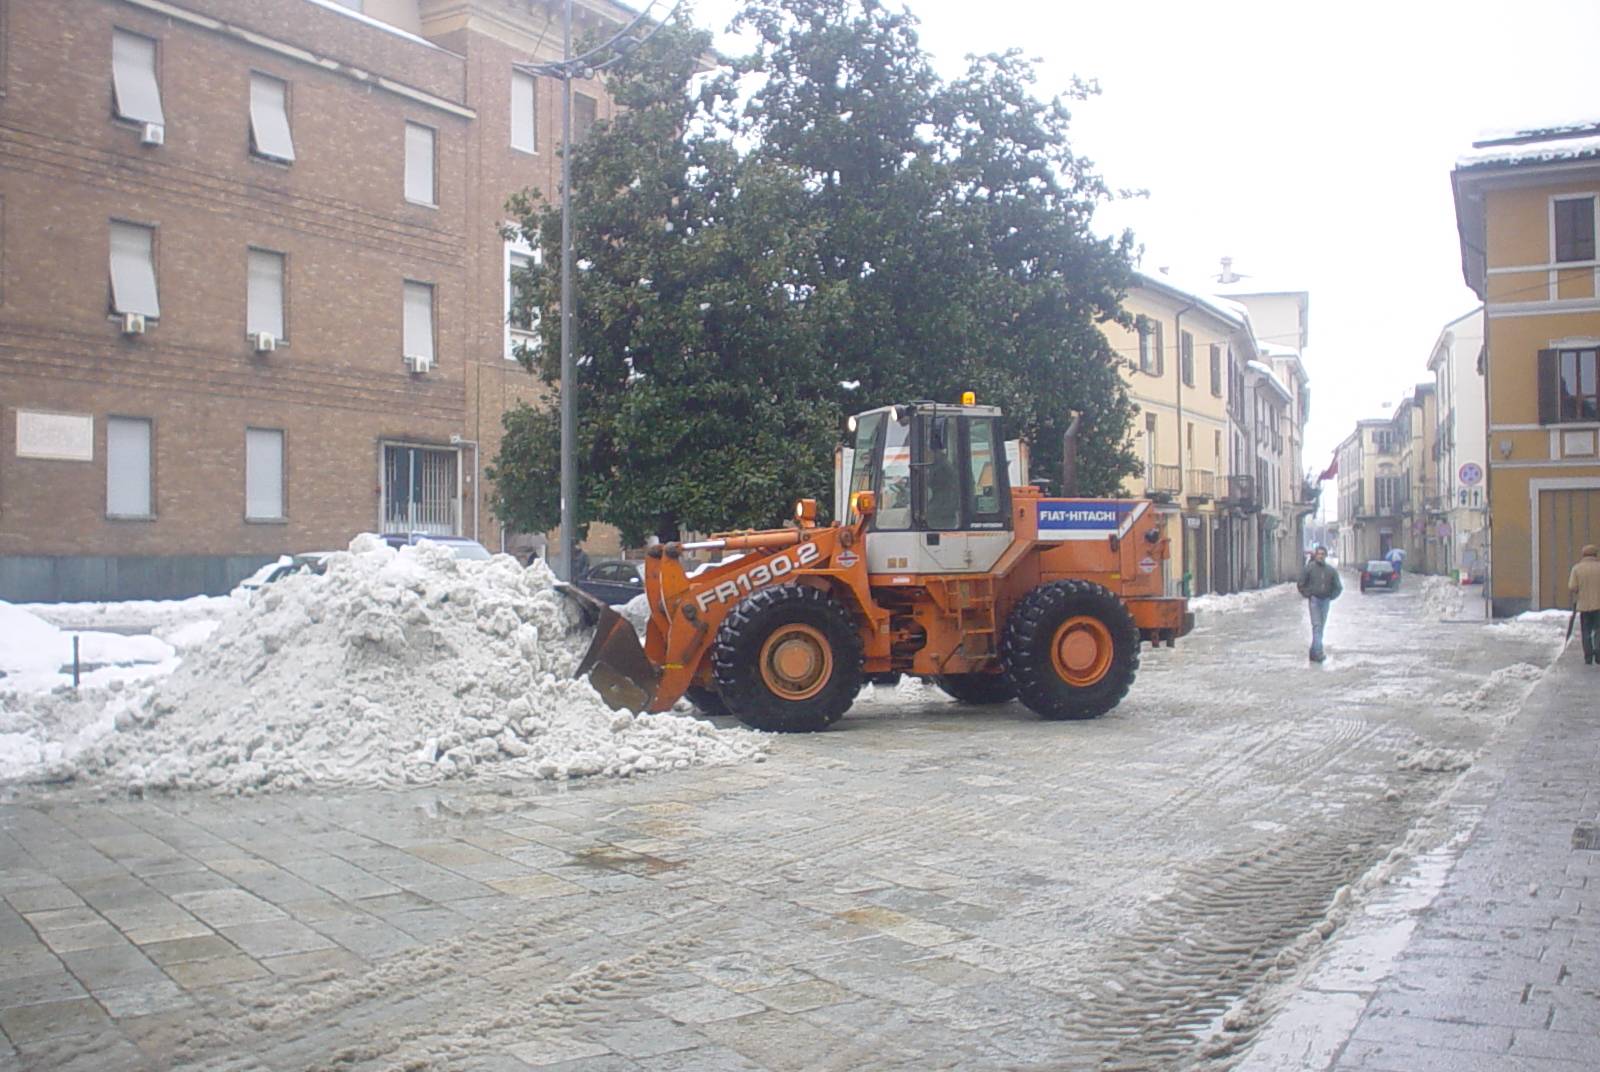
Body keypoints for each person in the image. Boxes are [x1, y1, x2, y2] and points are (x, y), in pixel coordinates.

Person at [1297, 544, 1342, 663]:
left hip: (1325, 601)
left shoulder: (1331, 571)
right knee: (1317, 626)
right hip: (1315, 600)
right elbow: (1301, 584)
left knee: (1321, 626)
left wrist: (1331, 596)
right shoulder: (1309, 569)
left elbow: (1338, 587)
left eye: (1322, 554)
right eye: (1319, 554)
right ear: (1316, 555)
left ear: (1325, 556)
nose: (1320, 556)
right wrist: (1309, 594)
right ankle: (1318, 653)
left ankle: (1313, 651)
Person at [1570, 544, 1600, 665]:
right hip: (1599, 606)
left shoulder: (1577, 568)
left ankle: (1588, 656)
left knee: (1586, 631)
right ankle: (1598, 654)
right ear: (1596, 554)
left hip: (1584, 606)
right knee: (1598, 630)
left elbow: (1572, 586)